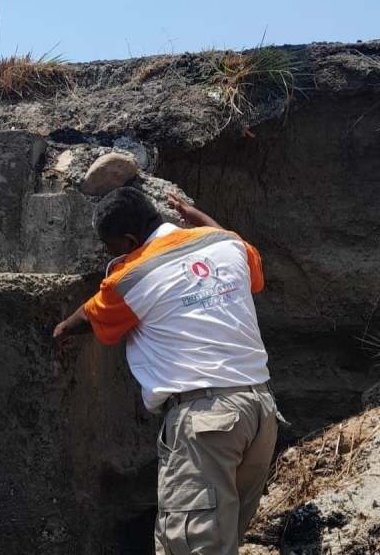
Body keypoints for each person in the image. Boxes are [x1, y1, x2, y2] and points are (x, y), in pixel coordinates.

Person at [53, 186, 282, 555]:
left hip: (206, 425)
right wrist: (199, 219)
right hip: (260, 414)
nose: (110, 255)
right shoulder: (227, 245)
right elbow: (243, 258)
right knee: (222, 544)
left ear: (129, 240)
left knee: (190, 547)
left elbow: (92, 315)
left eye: (110, 247)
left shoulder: (133, 276)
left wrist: (63, 328)